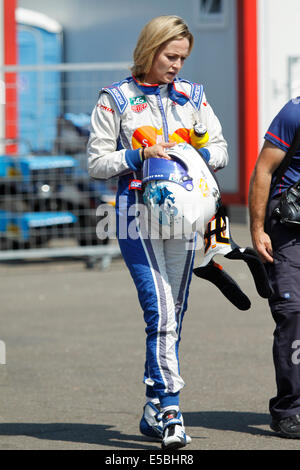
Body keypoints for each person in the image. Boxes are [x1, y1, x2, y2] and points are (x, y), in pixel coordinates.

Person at [88, 15, 228, 449]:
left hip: (188, 215)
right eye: (170, 56)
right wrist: (137, 154)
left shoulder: (192, 96)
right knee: (161, 311)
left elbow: (220, 150)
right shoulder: (116, 99)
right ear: (149, 50)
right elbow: (95, 164)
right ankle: (170, 409)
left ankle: (152, 405)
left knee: (175, 311)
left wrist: (200, 149)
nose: (176, 66)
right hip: (136, 214)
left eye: (182, 58)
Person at [249, 97, 300, 438]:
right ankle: (290, 410)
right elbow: (263, 170)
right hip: (288, 230)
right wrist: (256, 228)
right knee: (295, 314)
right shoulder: (295, 112)